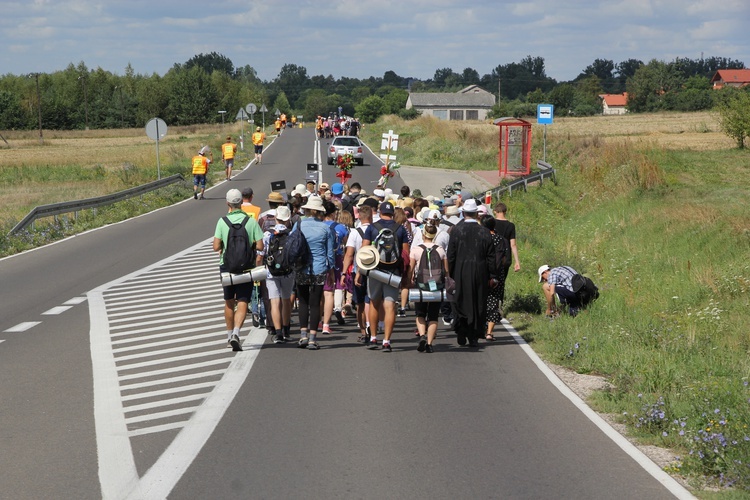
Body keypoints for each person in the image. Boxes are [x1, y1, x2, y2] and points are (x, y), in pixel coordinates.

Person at [213, 189, 264, 351]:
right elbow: (260, 245)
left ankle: (229, 336)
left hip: (226, 266)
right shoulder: (250, 222)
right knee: (243, 300)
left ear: (228, 203)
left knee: (229, 301)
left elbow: (215, 247)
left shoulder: (222, 222)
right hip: (246, 267)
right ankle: (236, 333)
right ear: (241, 202)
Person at [446, 199, 499, 347]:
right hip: (480, 271)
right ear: (477, 214)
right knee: (478, 301)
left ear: (463, 212)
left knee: (460, 300)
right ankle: (474, 334)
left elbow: (451, 254)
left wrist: (449, 273)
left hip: (460, 270)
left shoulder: (457, 230)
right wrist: (493, 276)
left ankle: (461, 329)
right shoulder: (484, 231)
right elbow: (491, 256)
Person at [358, 201, 409, 352]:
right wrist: (406, 274)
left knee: (374, 303)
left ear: (379, 213)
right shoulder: (400, 229)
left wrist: (359, 271)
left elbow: (364, 250)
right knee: (390, 306)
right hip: (393, 271)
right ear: (393, 213)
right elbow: (405, 254)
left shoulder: (372, 228)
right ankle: (386, 341)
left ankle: (373, 337)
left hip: (375, 270)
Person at [296, 196, 335, 350]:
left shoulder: (298, 225)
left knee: (303, 302)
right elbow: (329, 253)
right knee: (315, 303)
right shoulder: (325, 228)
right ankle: (313, 338)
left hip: (301, 268)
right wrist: (331, 271)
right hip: (319, 268)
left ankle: (303, 336)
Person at [408, 222, 448, 353]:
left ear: (423, 234)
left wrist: (409, 281)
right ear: (435, 235)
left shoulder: (416, 250)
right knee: (433, 315)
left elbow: (411, 269)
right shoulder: (440, 250)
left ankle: (422, 335)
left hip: (421, 285)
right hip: (437, 285)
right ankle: (430, 344)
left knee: (420, 313)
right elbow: (446, 271)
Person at [263, 205, 295, 344]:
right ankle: (287, 329)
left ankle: (278, 333)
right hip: (288, 271)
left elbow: (261, 253)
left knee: (274, 301)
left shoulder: (268, 234)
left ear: (276, 218)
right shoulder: (293, 234)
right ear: (288, 219)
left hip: (271, 272)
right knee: (286, 300)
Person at [341, 204, 372, 342]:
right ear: (370, 216)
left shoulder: (355, 232)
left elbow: (349, 254)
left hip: (357, 270)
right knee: (371, 301)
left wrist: (343, 273)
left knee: (359, 303)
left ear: (358, 216)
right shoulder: (376, 230)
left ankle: (363, 331)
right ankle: (373, 329)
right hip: (374, 270)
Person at [481, 215, 506, 341]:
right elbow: (503, 259)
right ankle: (489, 332)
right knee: (493, 302)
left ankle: (480, 327)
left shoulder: (480, 238)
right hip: (497, 275)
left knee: (479, 300)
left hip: (481, 273)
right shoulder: (500, 239)